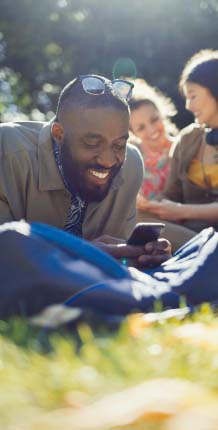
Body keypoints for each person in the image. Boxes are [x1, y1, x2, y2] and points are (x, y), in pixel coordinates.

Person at [0, 75, 171, 268]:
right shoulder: (7, 151)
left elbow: (120, 260)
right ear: (59, 134)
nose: (107, 161)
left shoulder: (131, 164)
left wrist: (140, 256)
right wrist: (80, 253)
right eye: (92, 143)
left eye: (119, 145)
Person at [141, 50, 218, 232]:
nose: (188, 106)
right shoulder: (187, 139)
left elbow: (177, 209)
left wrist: (182, 211)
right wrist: (148, 205)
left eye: (193, 96)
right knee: (136, 219)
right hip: (192, 236)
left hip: (207, 239)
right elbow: (171, 194)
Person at [128, 78, 196, 251]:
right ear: (133, 132)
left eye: (154, 119)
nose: (151, 130)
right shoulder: (133, 158)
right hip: (147, 230)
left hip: (184, 226)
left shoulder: (186, 146)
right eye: (141, 128)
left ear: (162, 112)